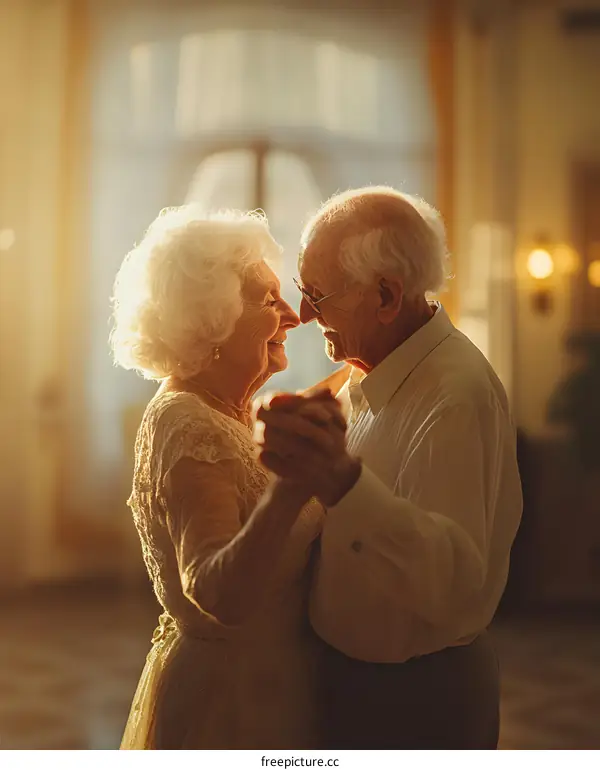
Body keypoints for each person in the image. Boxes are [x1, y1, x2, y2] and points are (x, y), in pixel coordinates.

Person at [257, 186, 523, 749]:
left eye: (317, 295)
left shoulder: (456, 396)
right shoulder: (372, 367)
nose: (303, 314)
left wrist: (343, 484)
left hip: (416, 700)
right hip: (354, 683)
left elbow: (452, 582)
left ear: (385, 295)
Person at [110, 205, 338, 749]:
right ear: (209, 318)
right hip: (232, 706)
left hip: (276, 684)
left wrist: (370, 363)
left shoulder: (225, 407)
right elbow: (216, 591)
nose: (293, 315)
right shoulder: (184, 421)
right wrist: (292, 487)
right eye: (269, 300)